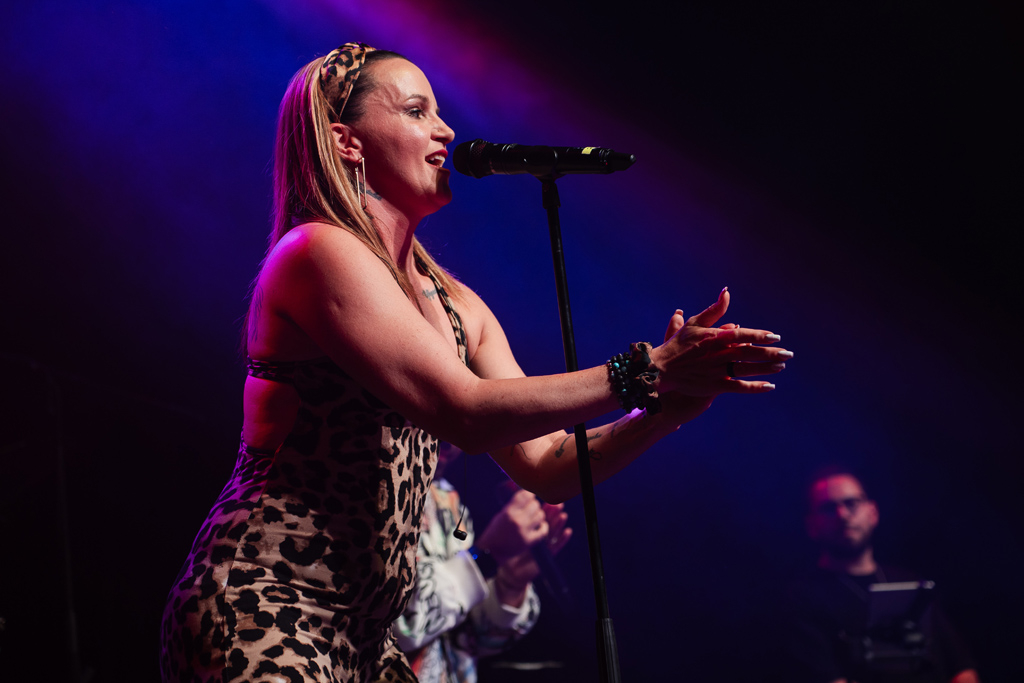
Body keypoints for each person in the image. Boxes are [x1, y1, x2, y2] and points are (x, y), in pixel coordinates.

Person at [158, 42, 791, 683]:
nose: (446, 130)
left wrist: (661, 412)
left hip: (366, 637)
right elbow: (463, 413)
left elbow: (547, 465)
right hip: (267, 602)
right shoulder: (317, 252)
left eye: (439, 112)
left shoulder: (458, 305)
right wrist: (644, 371)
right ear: (347, 142)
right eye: (416, 111)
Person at [393, 443, 571, 682]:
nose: (449, 441)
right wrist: (485, 556)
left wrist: (510, 584)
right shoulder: (374, 492)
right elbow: (391, 622)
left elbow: (468, 638)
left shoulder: (447, 500)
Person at [784, 468, 979, 683]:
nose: (843, 514)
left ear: (873, 512)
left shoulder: (912, 584)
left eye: (852, 503)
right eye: (829, 508)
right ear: (812, 525)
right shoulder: (801, 598)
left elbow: (962, 669)